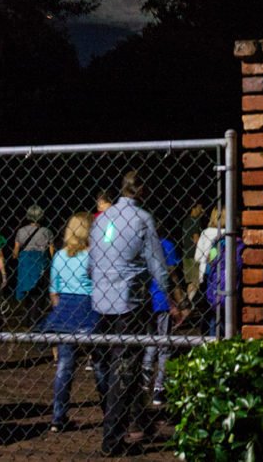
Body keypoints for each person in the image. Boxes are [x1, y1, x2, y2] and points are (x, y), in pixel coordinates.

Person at [88, 171, 177, 456]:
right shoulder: (142, 219)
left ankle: (132, 419)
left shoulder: (102, 220)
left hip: (101, 302)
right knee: (125, 370)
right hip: (129, 302)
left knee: (107, 361)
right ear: (142, 191)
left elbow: (92, 264)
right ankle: (113, 436)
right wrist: (174, 300)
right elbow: (157, 266)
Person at [38, 212, 98, 432]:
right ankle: (109, 413)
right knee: (100, 364)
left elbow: (54, 291)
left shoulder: (60, 256)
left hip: (65, 309)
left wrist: (62, 309)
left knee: (65, 365)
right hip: (89, 308)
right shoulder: (93, 255)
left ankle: (58, 417)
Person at [141, 230, 185, 407]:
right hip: (161, 300)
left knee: (150, 342)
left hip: (144, 299)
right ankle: (159, 389)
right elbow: (172, 275)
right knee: (164, 346)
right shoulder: (166, 245)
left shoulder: (141, 244)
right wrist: (177, 301)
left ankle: (145, 380)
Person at [13, 205, 53, 328]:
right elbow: (51, 253)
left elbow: (15, 253)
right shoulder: (47, 232)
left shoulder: (20, 231)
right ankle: (34, 321)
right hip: (39, 263)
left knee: (27, 293)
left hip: (25, 263)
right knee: (38, 293)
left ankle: (26, 320)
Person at [179, 202, 204, 300]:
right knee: (195, 282)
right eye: (200, 208)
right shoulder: (195, 221)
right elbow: (196, 239)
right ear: (193, 208)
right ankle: (190, 303)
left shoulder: (186, 221)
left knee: (191, 282)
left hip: (186, 254)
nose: (202, 210)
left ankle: (187, 301)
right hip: (194, 255)